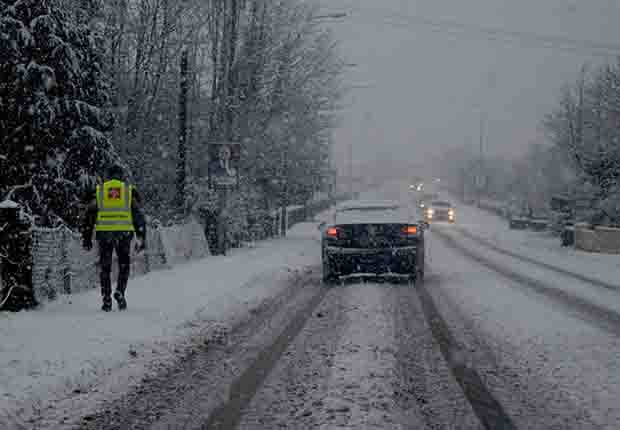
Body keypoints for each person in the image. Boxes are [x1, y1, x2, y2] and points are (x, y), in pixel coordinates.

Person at [81, 165, 146, 311]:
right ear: (122, 176)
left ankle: (106, 299)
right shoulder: (128, 191)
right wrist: (141, 237)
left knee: (105, 267)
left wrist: (86, 238)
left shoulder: (100, 191)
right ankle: (120, 291)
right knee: (124, 264)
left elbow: (89, 215)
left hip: (104, 233)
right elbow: (138, 216)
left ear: (108, 176)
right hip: (124, 233)